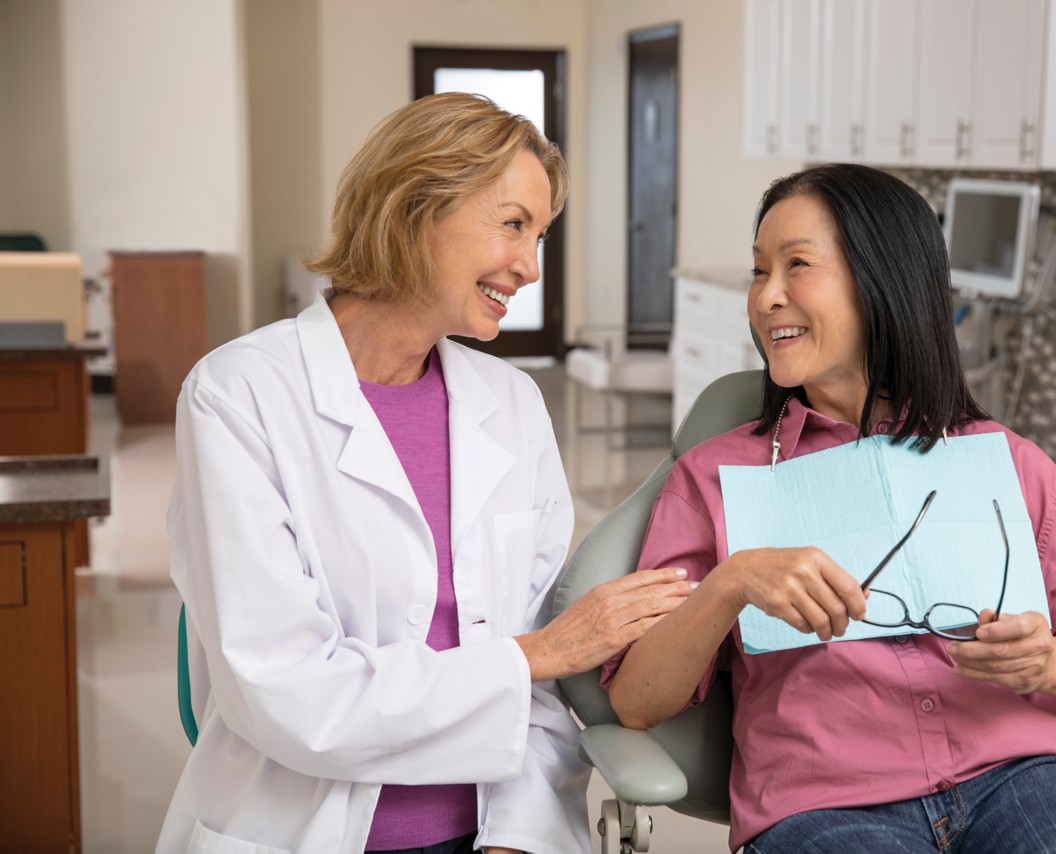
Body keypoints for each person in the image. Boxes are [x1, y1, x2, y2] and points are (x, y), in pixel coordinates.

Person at [157, 93, 691, 854]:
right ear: (414, 207)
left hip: (492, 830)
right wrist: (534, 654)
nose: (530, 267)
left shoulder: (511, 404)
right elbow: (290, 694)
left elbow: (539, 700)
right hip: (305, 827)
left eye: (540, 236)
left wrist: (517, 839)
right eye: (512, 225)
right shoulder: (240, 394)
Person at [603, 163, 1056, 853]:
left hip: (1024, 784)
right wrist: (732, 585)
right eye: (761, 271)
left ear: (883, 280)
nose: (767, 297)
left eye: (798, 265)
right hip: (826, 808)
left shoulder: (1003, 461)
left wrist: (1050, 664)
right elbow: (636, 701)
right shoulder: (713, 479)